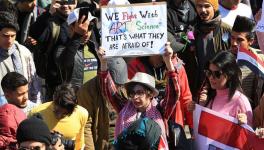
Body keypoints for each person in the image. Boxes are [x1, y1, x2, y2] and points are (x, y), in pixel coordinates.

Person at [97, 42, 181, 150]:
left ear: (150, 94)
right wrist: (103, 63)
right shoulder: (125, 107)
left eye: (140, 92)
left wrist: (168, 61)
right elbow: (110, 92)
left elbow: (174, 95)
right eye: (132, 93)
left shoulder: (160, 109)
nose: (135, 97)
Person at [77, 58, 127, 150]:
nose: (116, 87)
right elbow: (85, 125)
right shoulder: (87, 91)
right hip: (101, 140)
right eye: (114, 83)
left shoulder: (125, 86)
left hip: (121, 138)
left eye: (119, 84)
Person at [192, 51, 253, 126]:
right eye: (209, 72)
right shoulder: (208, 97)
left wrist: (244, 124)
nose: (211, 77)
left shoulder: (240, 101)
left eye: (217, 74)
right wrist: (196, 109)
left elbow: (248, 135)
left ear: (229, 74)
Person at [29, 83, 88, 150]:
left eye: (65, 114)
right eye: (56, 111)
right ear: (54, 98)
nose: (59, 116)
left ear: (74, 108)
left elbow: (79, 142)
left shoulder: (82, 114)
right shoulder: (36, 113)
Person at [191, 0, 231, 97]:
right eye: (199, 6)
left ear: (214, 7)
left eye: (207, 6)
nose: (203, 10)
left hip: (221, 88)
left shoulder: (227, 30)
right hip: (198, 88)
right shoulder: (192, 30)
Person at [0, 11, 40, 104]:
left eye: (12, 36)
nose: (9, 40)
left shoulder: (24, 53)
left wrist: (35, 108)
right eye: (5, 36)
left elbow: (34, 85)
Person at [55, 6, 98, 91]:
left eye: (89, 28)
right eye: (81, 28)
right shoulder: (61, 49)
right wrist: (77, 35)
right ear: (70, 28)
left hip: (92, 101)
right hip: (73, 101)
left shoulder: (94, 48)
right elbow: (65, 64)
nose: (86, 33)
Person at [231, 15, 264, 108]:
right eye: (232, 38)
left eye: (239, 40)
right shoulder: (223, 59)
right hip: (229, 113)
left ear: (251, 41)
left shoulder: (260, 60)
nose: (234, 43)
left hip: (254, 114)